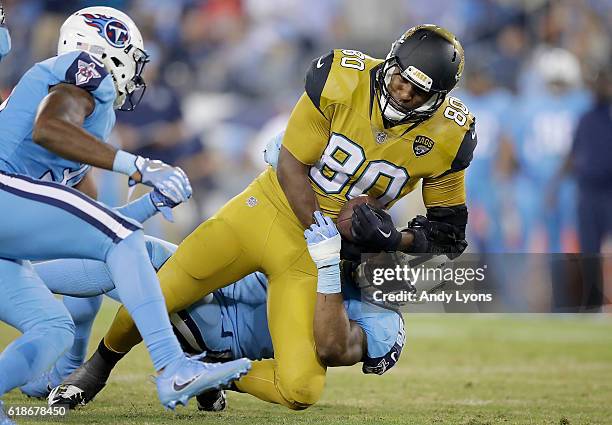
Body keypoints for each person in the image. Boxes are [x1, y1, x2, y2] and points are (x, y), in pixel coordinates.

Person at [57, 24, 474, 410]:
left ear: (438, 99)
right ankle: (98, 366)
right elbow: (292, 165)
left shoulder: (448, 136)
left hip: (314, 258)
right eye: (400, 79)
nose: (402, 94)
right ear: (391, 62)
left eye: (417, 93)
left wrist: (392, 238)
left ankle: (209, 371)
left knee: (301, 390)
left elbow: (447, 235)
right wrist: (325, 234)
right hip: (269, 212)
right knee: (158, 293)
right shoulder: (341, 78)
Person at [0, 5, 249, 412]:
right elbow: (47, 129)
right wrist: (136, 164)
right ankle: (173, 366)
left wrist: (152, 203)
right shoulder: (84, 70)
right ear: (108, 48)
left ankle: (62, 373)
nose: (136, 74)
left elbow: (101, 231)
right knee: (122, 242)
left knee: (54, 327)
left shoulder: (88, 126)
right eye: (133, 59)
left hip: (8, 231)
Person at [31, 228, 403, 410]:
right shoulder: (324, 234)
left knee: (141, 265)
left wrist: (326, 268)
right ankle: (20, 279)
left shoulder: (384, 320)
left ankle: (210, 371)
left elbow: (333, 347)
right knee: (133, 249)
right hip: (222, 283)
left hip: (227, 334)